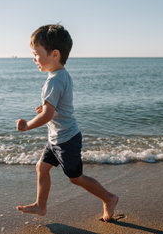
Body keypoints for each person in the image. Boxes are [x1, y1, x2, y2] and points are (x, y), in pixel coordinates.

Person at [15, 24, 118, 222]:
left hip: (66, 140)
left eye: (36, 53)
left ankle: (109, 198)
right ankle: (40, 205)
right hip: (57, 138)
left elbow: (47, 116)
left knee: (76, 178)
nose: (33, 58)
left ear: (55, 54)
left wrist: (27, 125)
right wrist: (47, 109)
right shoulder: (61, 75)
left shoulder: (53, 81)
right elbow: (55, 109)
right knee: (41, 167)